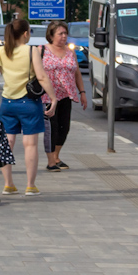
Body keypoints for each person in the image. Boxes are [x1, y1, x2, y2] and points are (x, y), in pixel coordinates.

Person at [0, 19, 54, 196]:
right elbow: (41, 76)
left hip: (7, 103)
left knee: (7, 143)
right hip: (29, 103)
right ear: (26, 34)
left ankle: (8, 184)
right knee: (30, 144)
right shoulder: (32, 50)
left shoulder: (0, 51)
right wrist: (53, 98)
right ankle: (30, 185)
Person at [41, 20, 86, 171]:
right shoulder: (42, 50)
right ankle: (51, 160)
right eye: (60, 33)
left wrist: (82, 93)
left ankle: (56, 156)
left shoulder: (70, 51)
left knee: (64, 127)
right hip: (47, 97)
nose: (64, 36)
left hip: (66, 95)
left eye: (65, 33)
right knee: (52, 128)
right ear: (51, 35)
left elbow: (77, 73)